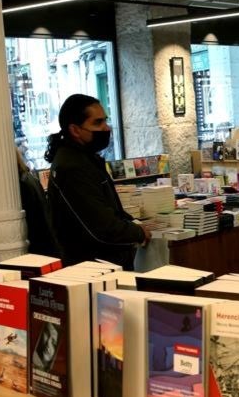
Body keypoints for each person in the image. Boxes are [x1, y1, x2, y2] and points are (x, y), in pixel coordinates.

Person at [45, 94, 148, 269]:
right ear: (75, 130)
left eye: (105, 121)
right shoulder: (72, 168)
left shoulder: (85, 159)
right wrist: (137, 232)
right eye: (97, 123)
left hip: (102, 264)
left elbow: (107, 209)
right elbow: (100, 225)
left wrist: (131, 223)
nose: (106, 128)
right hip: (94, 268)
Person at [15, 146, 59, 258]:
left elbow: (31, 220)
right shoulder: (29, 178)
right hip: (46, 243)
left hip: (37, 247)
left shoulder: (21, 184)